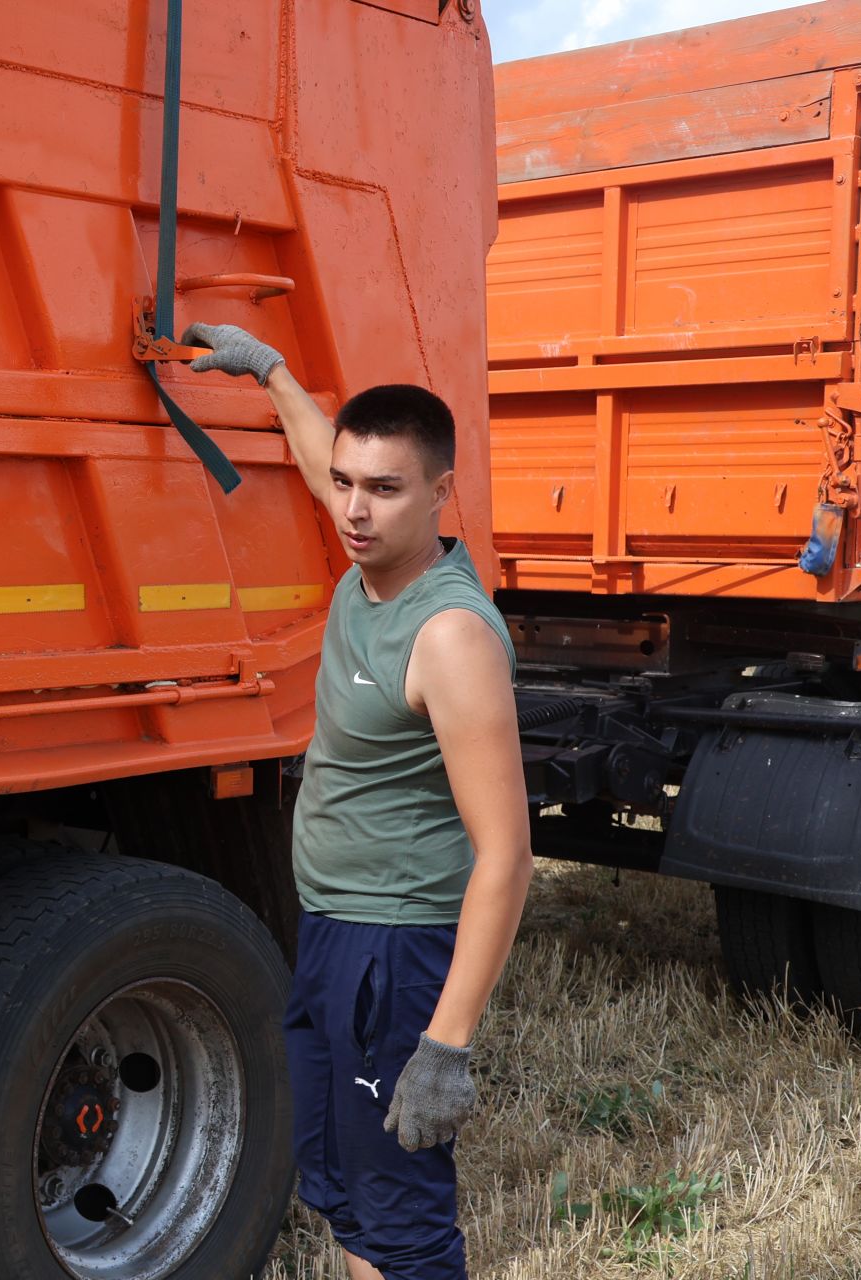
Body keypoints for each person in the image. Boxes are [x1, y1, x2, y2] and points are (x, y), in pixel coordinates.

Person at [184, 322, 533, 1280]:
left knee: (402, 1214)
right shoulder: (367, 570)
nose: (354, 510)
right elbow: (316, 457)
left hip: (397, 947)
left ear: (440, 493)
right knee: (338, 1187)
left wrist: (448, 1046)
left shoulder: (450, 636)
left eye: (385, 489)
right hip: (335, 927)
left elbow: (506, 854)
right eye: (347, 484)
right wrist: (274, 375)